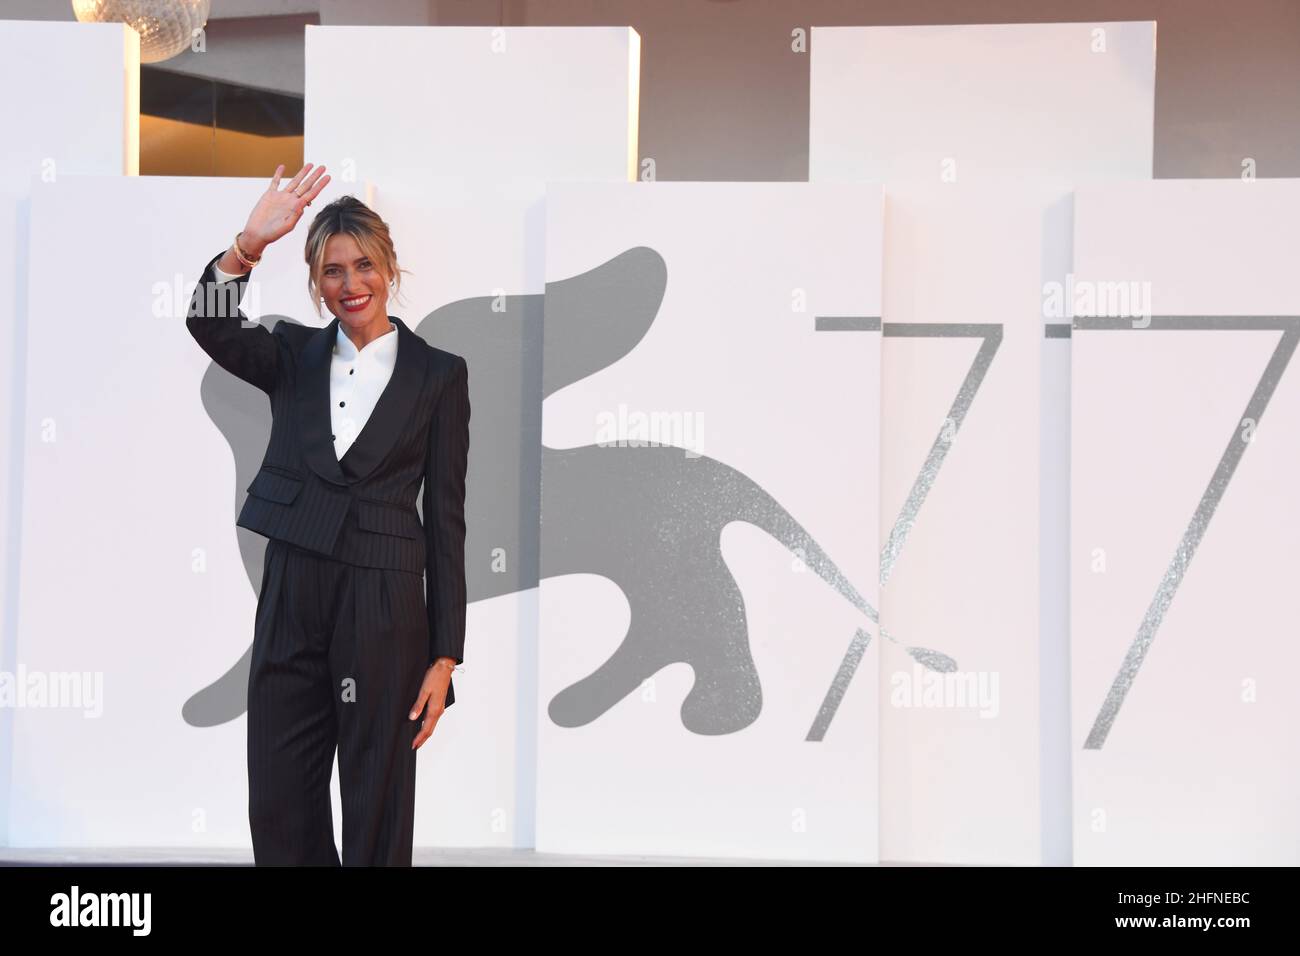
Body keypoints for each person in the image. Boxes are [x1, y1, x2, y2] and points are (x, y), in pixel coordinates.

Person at [186, 163, 470, 866]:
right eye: (333, 271)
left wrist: (445, 653)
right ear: (316, 281)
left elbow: (448, 517)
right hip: (294, 584)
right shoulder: (290, 354)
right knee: (280, 787)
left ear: (390, 267)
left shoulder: (440, 374)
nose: (352, 284)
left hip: (386, 597)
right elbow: (208, 324)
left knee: (377, 787)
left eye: (364, 265)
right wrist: (248, 244)